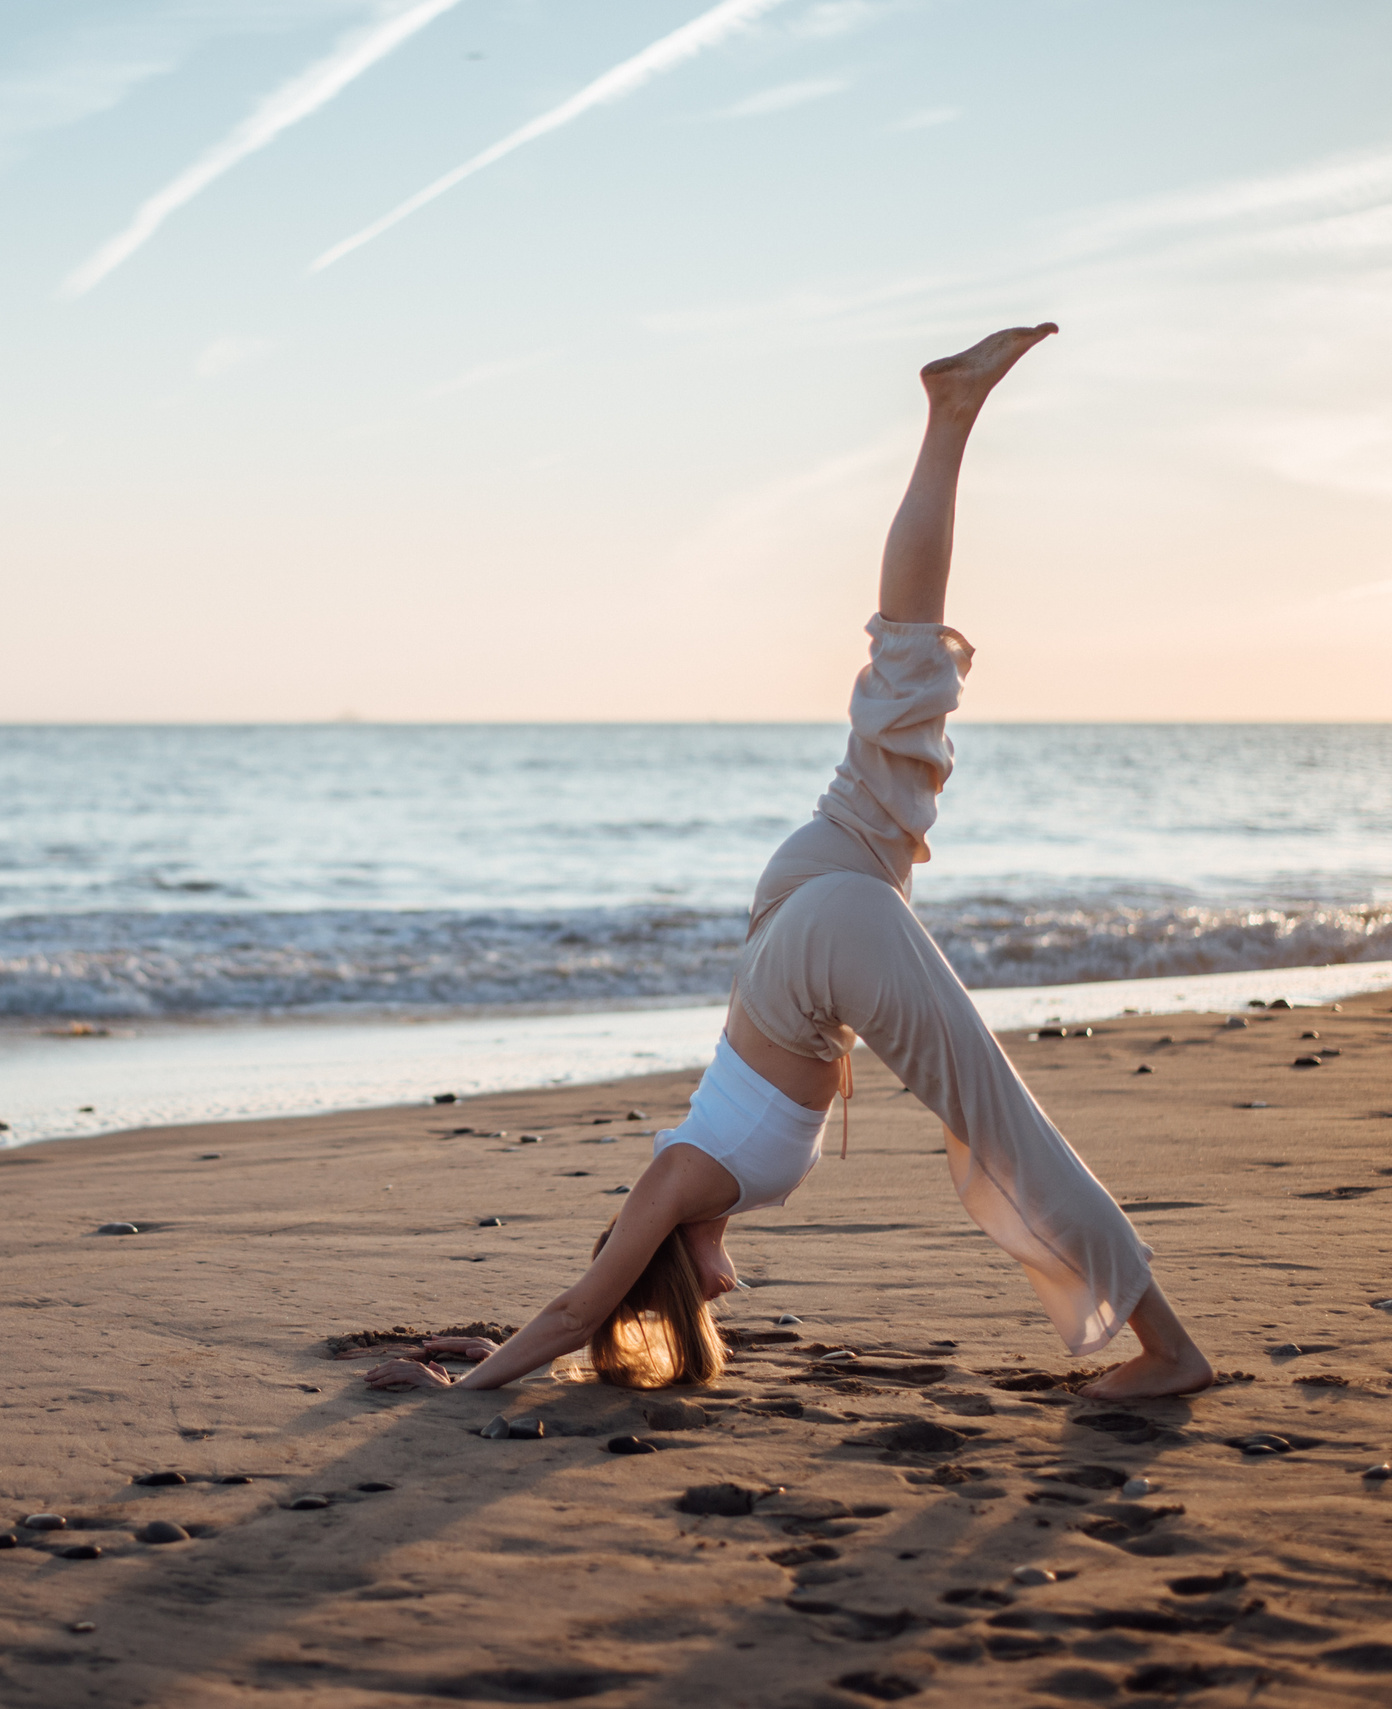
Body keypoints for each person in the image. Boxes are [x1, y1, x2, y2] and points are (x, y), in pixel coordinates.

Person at [364, 324, 1214, 1405]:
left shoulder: (675, 1184)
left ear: (667, 1260)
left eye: (698, 1297)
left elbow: (580, 1308)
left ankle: (1170, 1345)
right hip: (796, 934)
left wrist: (470, 1382)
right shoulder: (707, 1181)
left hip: (815, 946)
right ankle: (949, 415)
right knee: (907, 678)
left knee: (994, 1116)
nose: (720, 1293)